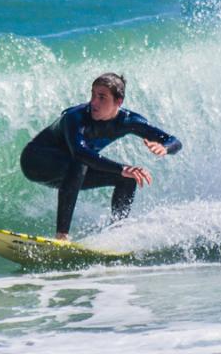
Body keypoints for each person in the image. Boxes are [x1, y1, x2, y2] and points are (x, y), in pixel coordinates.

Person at [20, 73, 182, 240]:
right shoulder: (75, 117)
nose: (94, 102)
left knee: (127, 179)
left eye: (102, 97)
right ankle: (62, 236)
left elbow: (174, 142)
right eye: (93, 95)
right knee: (83, 162)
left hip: (70, 173)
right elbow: (79, 152)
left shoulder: (129, 121)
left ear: (118, 101)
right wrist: (122, 168)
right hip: (36, 162)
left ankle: (117, 234)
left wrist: (165, 147)